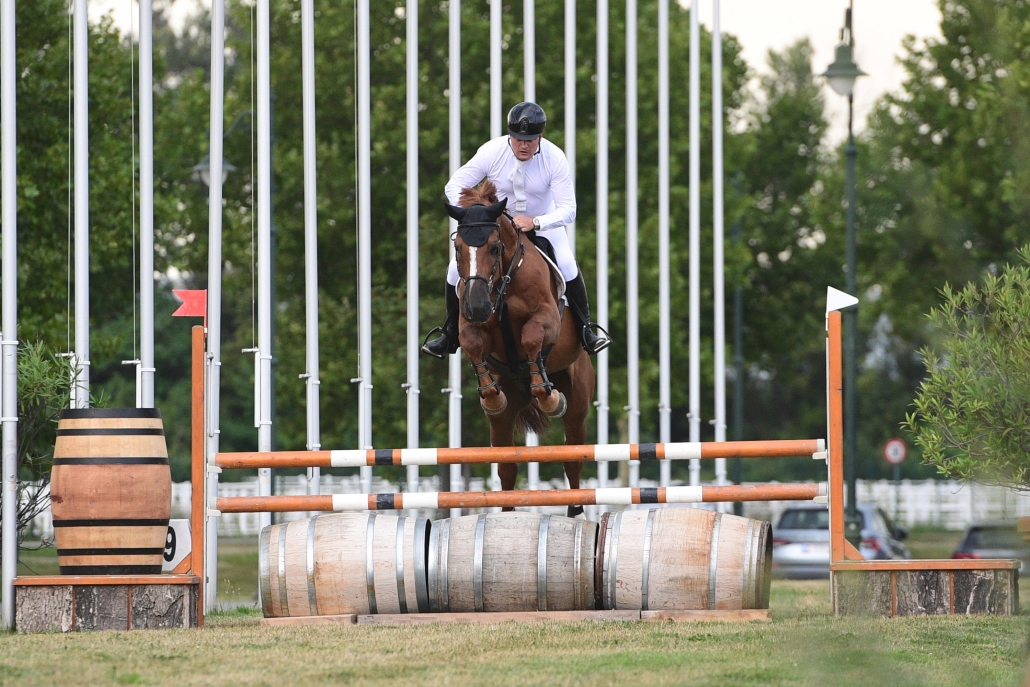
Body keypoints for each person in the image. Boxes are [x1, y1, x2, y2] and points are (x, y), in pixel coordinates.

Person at [422, 102, 611, 358]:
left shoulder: (554, 158)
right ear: (510, 135)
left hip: (543, 223)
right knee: (455, 269)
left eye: (530, 140)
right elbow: (454, 186)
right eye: (518, 139)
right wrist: (478, 213)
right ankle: (448, 335)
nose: (524, 145)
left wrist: (536, 222)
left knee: (566, 262)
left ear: (539, 137)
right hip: (499, 227)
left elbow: (569, 209)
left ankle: (587, 329)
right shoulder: (492, 152)